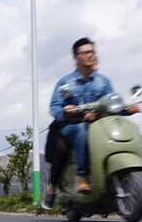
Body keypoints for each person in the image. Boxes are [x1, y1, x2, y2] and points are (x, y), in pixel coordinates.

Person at [45, 37, 114, 206]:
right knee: (81, 129)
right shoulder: (65, 83)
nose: (90, 55)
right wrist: (64, 110)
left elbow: (110, 101)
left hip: (99, 125)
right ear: (75, 57)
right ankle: (82, 177)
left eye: (92, 52)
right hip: (72, 126)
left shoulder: (102, 81)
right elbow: (55, 106)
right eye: (85, 52)